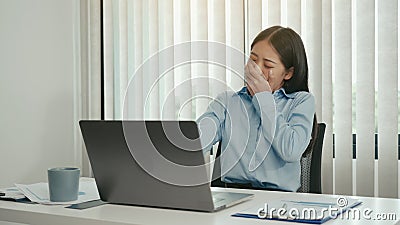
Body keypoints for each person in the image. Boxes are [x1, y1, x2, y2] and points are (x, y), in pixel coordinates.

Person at [197, 26, 316, 192]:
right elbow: (195, 143)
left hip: (279, 200)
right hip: (233, 194)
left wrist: (263, 99)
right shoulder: (228, 101)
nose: (257, 70)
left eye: (268, 65)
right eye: (253, 60)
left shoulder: (301, 101)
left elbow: (291, 150)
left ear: (288, 73)